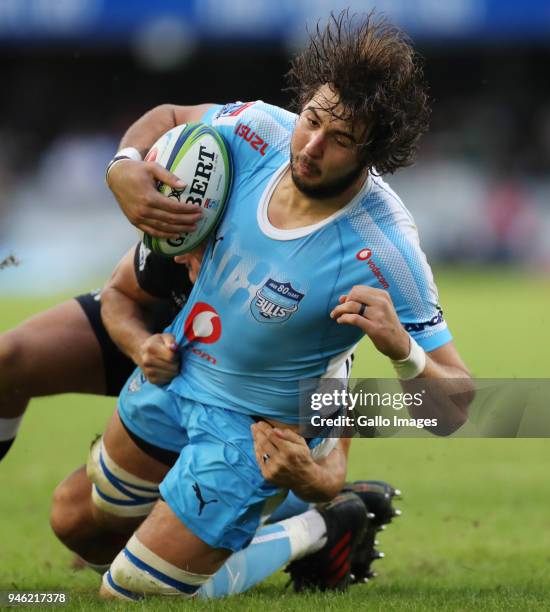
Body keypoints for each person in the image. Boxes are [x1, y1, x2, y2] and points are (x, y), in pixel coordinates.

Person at [51, 11, 474, 601]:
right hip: (175, 379)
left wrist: (402, 351)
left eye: (341, 139)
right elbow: (171, 118)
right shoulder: (259, 130)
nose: (312, 145)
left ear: (372, 153)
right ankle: (244, 531)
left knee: (131, 593)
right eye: (312, 120)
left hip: (253, 435)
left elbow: (455, 407)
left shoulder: (386, 248)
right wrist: (123, 163)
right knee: (74, 525)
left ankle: (318, 526)